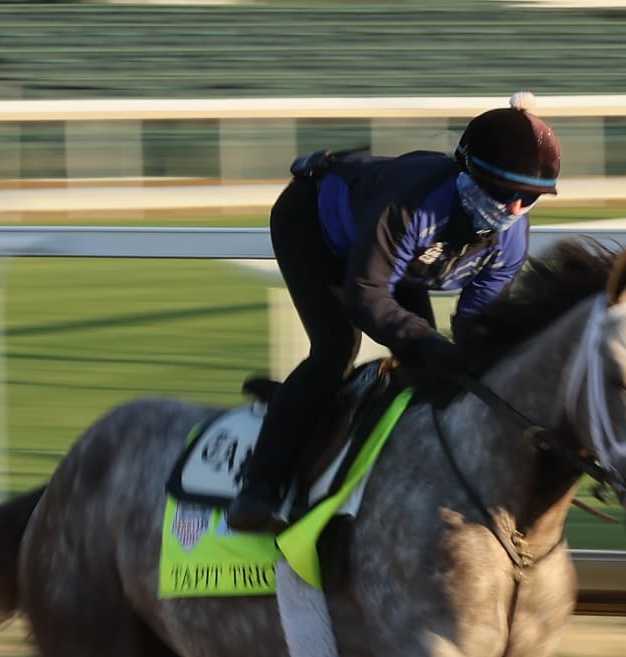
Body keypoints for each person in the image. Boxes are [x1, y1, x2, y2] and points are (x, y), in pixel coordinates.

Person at [225, 92, 562, 533]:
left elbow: (475, 324)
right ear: (470, 174)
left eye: (530, 197)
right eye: (504, 192)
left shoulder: (511, 242)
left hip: (395, 258)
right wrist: (426, 343)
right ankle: (259, 487)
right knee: (336, 348)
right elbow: (365, 294)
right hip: (313, 223)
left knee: (431, 366)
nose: (515, 208)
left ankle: (367, 457)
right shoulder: (413, 208)